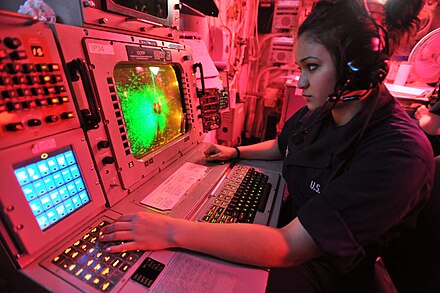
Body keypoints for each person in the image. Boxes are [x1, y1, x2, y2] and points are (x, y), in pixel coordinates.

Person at [100, 0, 434, 291]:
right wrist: (237, 152)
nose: (301, 82)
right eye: (300, 67)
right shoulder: (327, 109)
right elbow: (284, 144)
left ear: (354, 71)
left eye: (312, 68)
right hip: (292, 228)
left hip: (324, 267)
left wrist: (171, 231)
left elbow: (287, 247)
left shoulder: (397, 154)